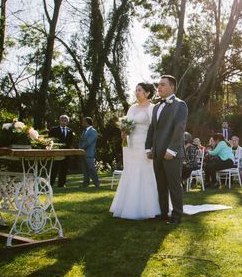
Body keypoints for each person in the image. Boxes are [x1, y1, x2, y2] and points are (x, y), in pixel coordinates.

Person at [110, 83, 160, 219]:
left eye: (139, 90)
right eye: (136, 90)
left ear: (147, 93)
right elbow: (127, 123)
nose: (137, 92)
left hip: (144, 144)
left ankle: (149, 207)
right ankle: (126, 205)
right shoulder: (132, 108)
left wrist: (151, 147)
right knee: (130, 171)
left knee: (145, 171)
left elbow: (154, 128)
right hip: (129, 145)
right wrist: (124, 131)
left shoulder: (151, 108)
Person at [145, 75, 188, 224]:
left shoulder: (180, 105)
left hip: (172, 154)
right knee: (161, 185)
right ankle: (163, 213)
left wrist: (172, 150)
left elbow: (179, 128)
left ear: (172, 87)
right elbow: (152, 129)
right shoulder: (156, 106)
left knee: (174, 185)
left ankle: (176, 216)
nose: (159, 87)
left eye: (163, 85)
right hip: (157, 153)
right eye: (158, 85)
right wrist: (148, 148)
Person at [48, 115, 74, 187]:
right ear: (59, 121)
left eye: (65, 121)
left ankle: (62, 184)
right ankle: (50, 183)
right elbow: (49, 140)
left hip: (66, 152)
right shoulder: (54, 130)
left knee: (64, 168)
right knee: (54, 168)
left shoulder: (70, 131)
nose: (63, 122)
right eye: (62, 120)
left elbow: (71, 142)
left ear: (67, 122)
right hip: (56, 151)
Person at [79, 116, 100, 188]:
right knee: (85, 170)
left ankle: (97, 183)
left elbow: (88, 142)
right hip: (82, 153)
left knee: (91, 169)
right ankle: (85, 183)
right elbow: (81, 141)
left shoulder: (93, 131)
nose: (82, 123)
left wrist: (80, 148)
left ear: (87, 122)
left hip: (89, 153)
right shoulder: (84, 131)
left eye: (83, 121)